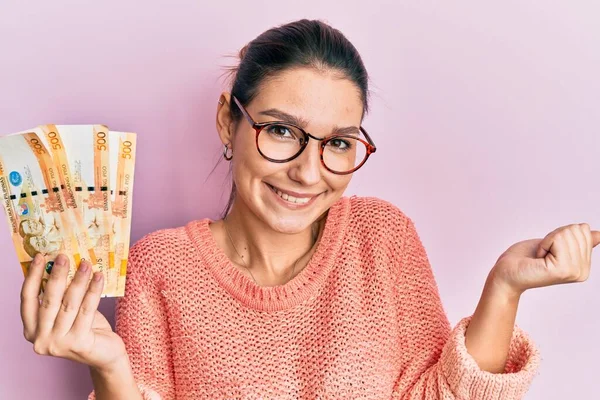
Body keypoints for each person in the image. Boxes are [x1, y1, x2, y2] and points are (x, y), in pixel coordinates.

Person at [18, 19, 600, 400]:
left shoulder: (383, 238)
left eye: (339, 143)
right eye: (279, 130)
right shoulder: (160, 267)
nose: (307, 170)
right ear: (229, 119)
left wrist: (504, 286)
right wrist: (112, 369)